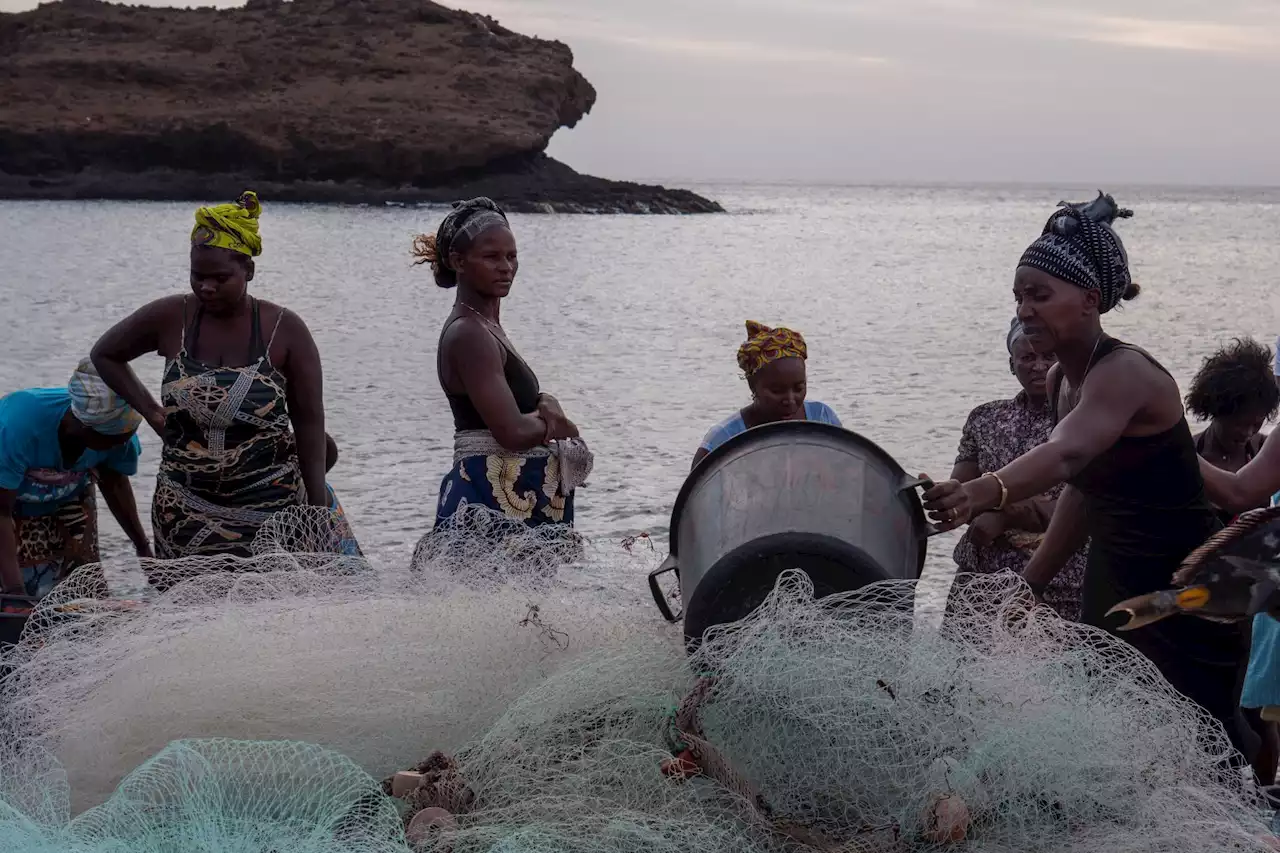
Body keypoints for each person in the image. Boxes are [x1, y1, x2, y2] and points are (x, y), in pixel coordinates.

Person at [920, 192, 1255, 761]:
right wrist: (1031, 582)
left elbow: (1068, 454)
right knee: (1113, 732)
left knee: (1202, 738)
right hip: (1114, 574)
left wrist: (978, 491)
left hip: (1182, 588)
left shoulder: (1127, 373)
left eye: (1041, 295)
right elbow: (1084, 488)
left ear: (1090, 300)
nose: (1026, 310)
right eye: (1019, 296)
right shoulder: (1060, 383)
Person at [90, 191, 330, 563]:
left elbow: (310, 424)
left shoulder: (285, 330)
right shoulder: (171, 316)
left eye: (220, 278)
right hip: (184, 509)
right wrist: (152, 413)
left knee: (272, 611)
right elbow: (105, 354)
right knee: (190, 613)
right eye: (197, 276)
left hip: (270, 504)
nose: (206, 287)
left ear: (248, 271)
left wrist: (317, 510)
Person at [416, 197, 586, 530]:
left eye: (512, 256)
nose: (506, 267)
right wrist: (555, 421)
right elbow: (511, 431)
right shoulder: (469, 334)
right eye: (491, 257)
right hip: (487, 503)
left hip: (505, 500)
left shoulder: (484, 326)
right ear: (458, 261)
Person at [949, 317, 1087, 621]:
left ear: (1062, 362)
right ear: (1012, 365)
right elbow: (961, 492)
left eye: (1048, 356)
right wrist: (944, 499)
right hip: (980, 580)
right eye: (1026, 357)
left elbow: (1086, 504)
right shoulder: (984, 418)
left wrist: (1006, 514)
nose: (1038, 366)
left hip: (1060, 584)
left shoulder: (1083, 421)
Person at [0, 359, 151, 599]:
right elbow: (1, 511)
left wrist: (142, 547)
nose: (121, 445)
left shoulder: (119, 432)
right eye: (112, 440)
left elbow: (115, 484)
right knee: (16, 593)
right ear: (79, 427)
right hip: (8, 503)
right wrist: (15, 593)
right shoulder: (17, 426)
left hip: (68, 496)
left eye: (126, 437)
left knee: (80, 592)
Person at [692, 321, 841, 469]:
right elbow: (698, 490)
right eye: (777, 391)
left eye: (798, 388)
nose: (790, 400)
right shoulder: (724, 439)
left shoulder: (822, 418)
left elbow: (847, 472)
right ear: (752, 385)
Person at [1187, 338, 1278, 524]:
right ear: (1215, 411)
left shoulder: (1264, 448)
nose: (1248, 432)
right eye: (1240, 424)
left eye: (1256, 424)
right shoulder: (1192, 452)